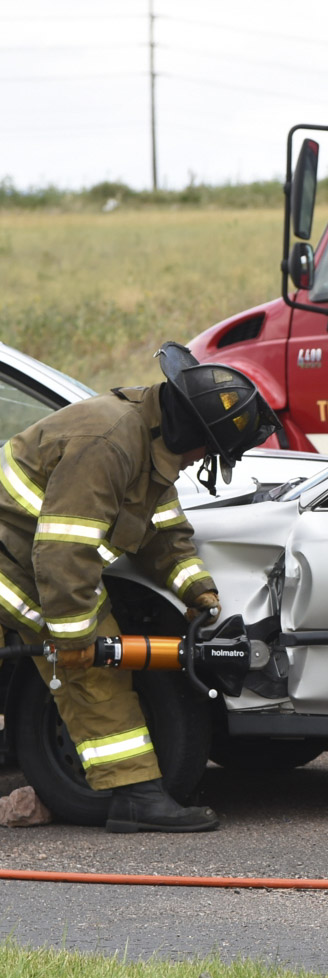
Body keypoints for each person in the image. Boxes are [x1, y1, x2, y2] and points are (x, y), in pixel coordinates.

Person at [0, 342, 280, 832]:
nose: (201, 461)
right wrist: (73, 641)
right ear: (192, 432)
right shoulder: (108, 444)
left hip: (29, 554)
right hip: (14, 560)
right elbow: (65, 552)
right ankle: (137, 797)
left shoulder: (150, 441)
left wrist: (199, 592)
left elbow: (161, 534)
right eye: (208, 451)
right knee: (91, 666)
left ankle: (136, 793)